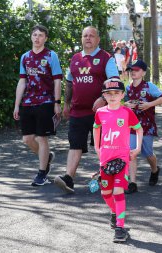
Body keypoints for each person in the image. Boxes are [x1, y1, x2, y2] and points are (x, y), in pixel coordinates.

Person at [54, 26, 119, 193]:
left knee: (103, 146)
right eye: (85, 36)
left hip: (101, 112)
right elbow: (69, 83)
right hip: (77, 111)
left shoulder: (106, 58)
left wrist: (104, 98)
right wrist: (66, 103)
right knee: (75, 144)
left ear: (98, 39)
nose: (88, 38)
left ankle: (109, 177)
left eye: (91, 36)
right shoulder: (75, 59)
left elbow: (114, 82)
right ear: (81, 39)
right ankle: (68, 178)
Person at [93, 78, 143, 242]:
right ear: (104, 95)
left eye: (116, 93)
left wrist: (137, 148)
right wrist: (97, 148)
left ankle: (120, 228)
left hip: (122, 158)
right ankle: (115, 212)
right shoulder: (100, 112)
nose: (112, 96)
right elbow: (96, 128)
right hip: (105, 159)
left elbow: (138, 129)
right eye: (109, 93)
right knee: (105, 193)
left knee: (118, 191)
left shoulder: (127, 112)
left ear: (122, 95)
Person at [13, 24, 63, 186]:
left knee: (42, 137)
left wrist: (57, 102)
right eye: (34, 35)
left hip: (46, 101)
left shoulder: (51, 56)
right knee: (27, 139)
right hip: (28, 102)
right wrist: (16, 105)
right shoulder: (25, 57)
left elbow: (57, 80)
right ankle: (47, 157)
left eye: (41, 35)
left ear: (45, 38)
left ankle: (42, 174)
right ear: (31, 37)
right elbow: (22, 81)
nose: (37, 38)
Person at [123, 59, 162, 194]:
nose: (133, 72)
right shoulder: (128, 87)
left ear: (143, 72)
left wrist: (149, 104)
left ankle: (155, 170)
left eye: (136, 70)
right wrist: (127, 105)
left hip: (147, 125)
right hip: (132, 125)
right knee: (131, 153)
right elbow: (125, 101)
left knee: (148, 153)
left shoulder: (149, 86)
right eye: (131, 70)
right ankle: (133, 183)